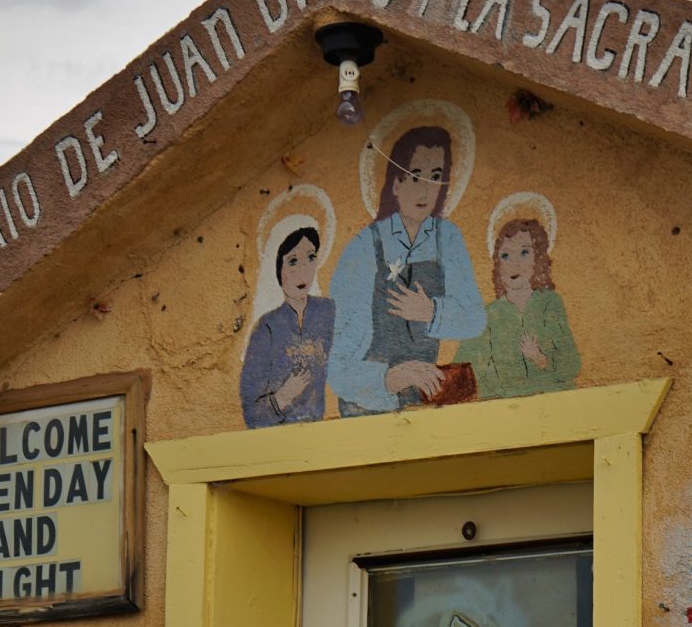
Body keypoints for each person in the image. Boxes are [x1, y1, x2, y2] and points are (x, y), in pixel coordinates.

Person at [327, 125, 485, 414]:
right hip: (367, 403)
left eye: (435, 177)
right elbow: (337, 364)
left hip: (421, 399)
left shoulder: (446, 238)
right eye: (415, 176)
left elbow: (475, 317)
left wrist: (432, 312)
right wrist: (391, 378)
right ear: (396, 184)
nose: (425, 189)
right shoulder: (363, 248)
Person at [461, 213, 581, 398]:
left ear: (537, 259)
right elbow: (464, 367)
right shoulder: (489, 314)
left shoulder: (549, 303)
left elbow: (572, 365)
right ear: (498, 265)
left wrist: (539, 357)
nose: (514, 264)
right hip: (505, 411)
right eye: (506, 256)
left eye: (524, 252)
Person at [239, 222, 334, 427]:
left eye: (310, 257)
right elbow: (252, 415)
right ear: (277, 270)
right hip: (283, 445)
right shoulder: (267, 329)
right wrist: (283, 396)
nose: (303, 271)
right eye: (292, 261)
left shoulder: (329, 312)